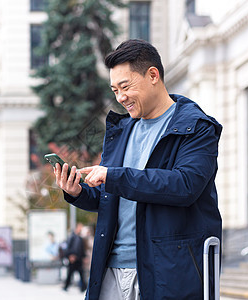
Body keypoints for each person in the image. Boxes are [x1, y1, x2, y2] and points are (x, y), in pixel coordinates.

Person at [53, 39, 222, 299]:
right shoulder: (122, 131)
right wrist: (78, 192)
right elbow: (113, 197)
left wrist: (113, 176)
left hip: (164, 272)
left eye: (125, 86)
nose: (120, 98)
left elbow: (185, 186)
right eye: (114, 90)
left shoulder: (196, 127)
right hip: (108, 270)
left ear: (153, 75)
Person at [63, 223, 87, 292]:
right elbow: (68, 248)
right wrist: (70, 256)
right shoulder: (72, 237)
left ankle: (83, 287)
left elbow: (82, 249)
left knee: (81, 274)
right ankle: (66, 286)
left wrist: (84, 257)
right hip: (72, 259)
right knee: (70, 274)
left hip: (79, 259)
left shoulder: (80, 238)